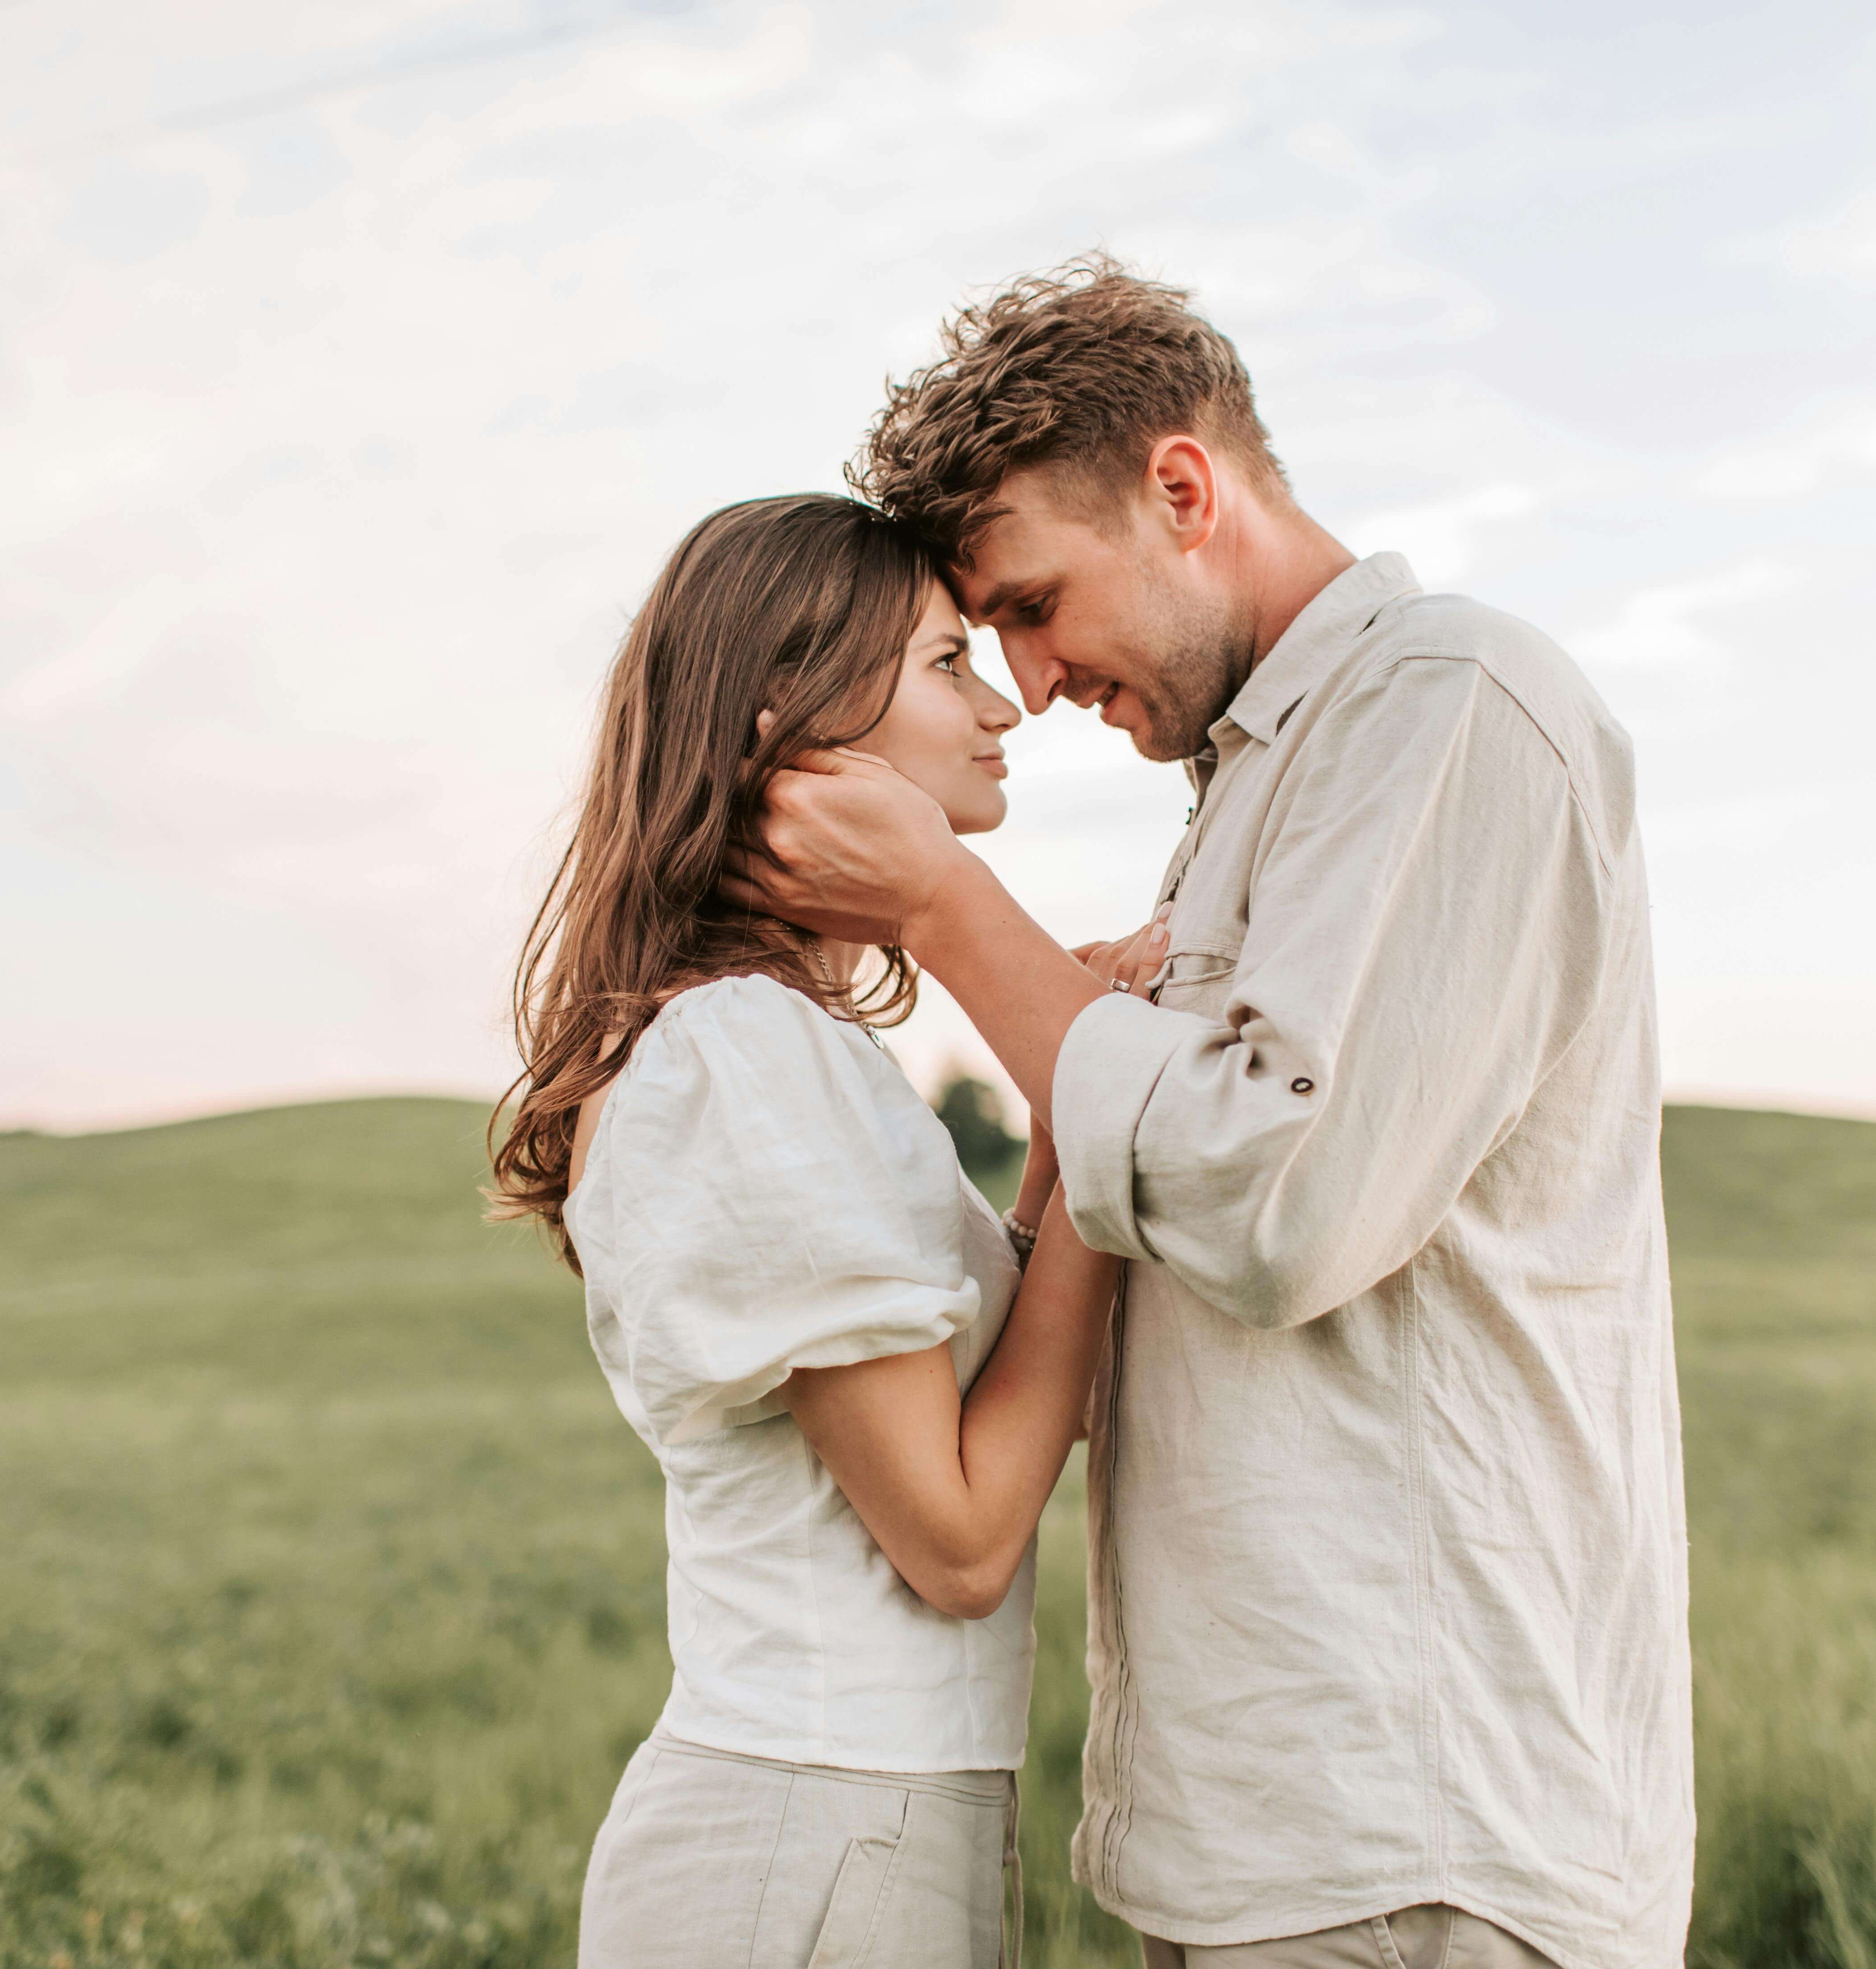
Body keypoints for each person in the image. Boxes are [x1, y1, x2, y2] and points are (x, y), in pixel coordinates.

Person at [726, 260, 1696, 1969]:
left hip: (1417, 1818)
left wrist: (956, 916)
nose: (1022, 681)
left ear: (1182, 490)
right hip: (1282, 1823)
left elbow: (1278, 1212)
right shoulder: (1260, 785)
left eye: (1030, 602)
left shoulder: (1444, 706)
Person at [489, 493, 1138, 1969]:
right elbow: (961, 1544)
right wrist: (1109, 1131)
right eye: (943, 664)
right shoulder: (740, 1051)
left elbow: (1012, 1399)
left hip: (864, 1817)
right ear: (796, 732)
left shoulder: (787, 1047)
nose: (1001, 709)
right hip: (811, 1830)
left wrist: (1064, 1145)